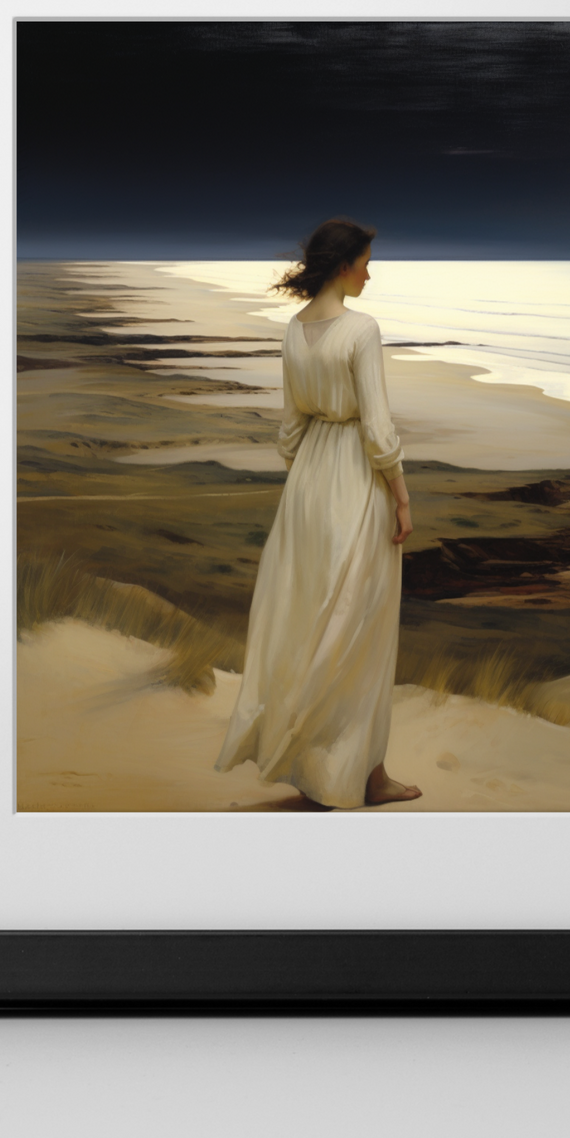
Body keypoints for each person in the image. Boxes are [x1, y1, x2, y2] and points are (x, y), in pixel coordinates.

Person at [214, 219, 422, 809]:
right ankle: (367, 775)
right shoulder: (360, 330)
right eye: (365, 261)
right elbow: (379, 431)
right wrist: (401, 496)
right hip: (356, 479)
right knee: (362, 631)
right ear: (343, 264)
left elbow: (289, 429)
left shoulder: (295, 329)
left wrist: (308, 481)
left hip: (307, 483)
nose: (369, 271)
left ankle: (322, 767)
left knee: (311, 623)